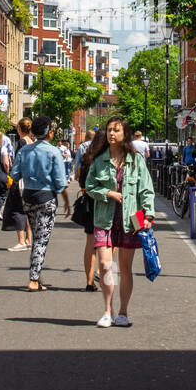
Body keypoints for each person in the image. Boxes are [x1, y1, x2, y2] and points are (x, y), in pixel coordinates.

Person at [86, 116, 156, 327]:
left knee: (125, 268)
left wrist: (148, 216)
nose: (111, 134)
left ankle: (123, 312)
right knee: (106, 265)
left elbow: (146, 190)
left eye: (116, 130)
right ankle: (108, 310)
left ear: (125, 134)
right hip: (104, 218)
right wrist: (107, 192)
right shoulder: (99, 160)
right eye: (109, 130)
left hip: (131, 219)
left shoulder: (136, 161)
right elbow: (89, 186)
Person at [11, 115, 68, 291]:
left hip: (28, 196)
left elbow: (14, 174)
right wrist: (66, 201)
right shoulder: (53, 152)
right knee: (41, 240)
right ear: (49, 132)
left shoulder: (24, 151)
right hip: (46, 198)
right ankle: (34, 279)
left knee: (37, 238)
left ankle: (37, 276)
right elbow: (60, 181)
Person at [75, 126, 106, 289]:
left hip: (89, 203)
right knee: (109, 242)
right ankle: (100, 272)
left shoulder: (87, 157)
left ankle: (89, 281)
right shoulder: (106, 159)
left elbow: (81, 181)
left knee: (90, 242)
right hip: (105, 203)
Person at [2, 118, 34, 251]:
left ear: (20, 129)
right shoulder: (32, 142)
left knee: (17, 209)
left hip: (20, 180)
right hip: (29, 180)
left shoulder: (21, 142)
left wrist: (12, 177)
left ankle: (21, 241)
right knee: (27, 211)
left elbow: (18, 161)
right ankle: (28, 239)